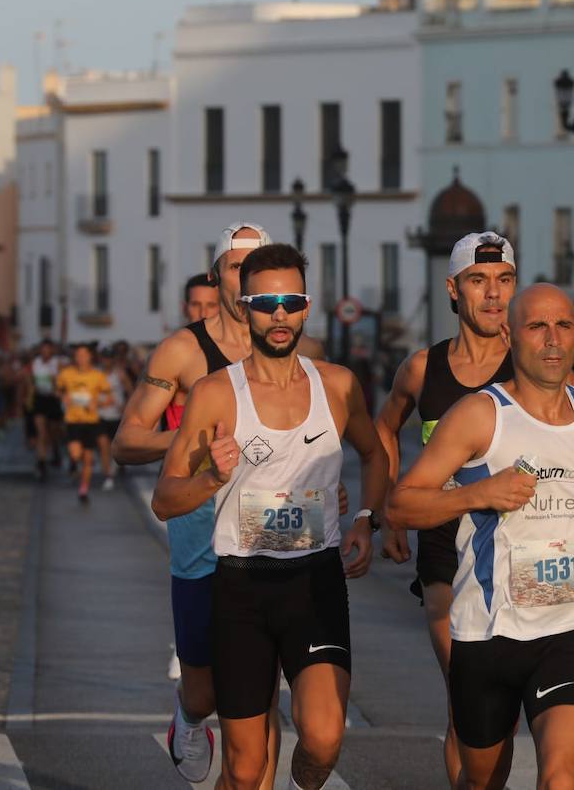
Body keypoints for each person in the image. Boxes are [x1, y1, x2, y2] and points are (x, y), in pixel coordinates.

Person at [387, 283, 574, 790]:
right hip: (489, 633)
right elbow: (402, 502)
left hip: (570, 624)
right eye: (536, 326)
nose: (552, 339)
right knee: (482, 781)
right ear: (509, 335)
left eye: (563, 326)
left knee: (563, 778)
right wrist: (476, 495)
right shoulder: (480, 415)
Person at [153, 243, 388, 790]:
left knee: (324, 737)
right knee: (244, 768)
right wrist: (211, 478)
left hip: (315, 582)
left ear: (306, 307)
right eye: (266, 302)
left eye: (291, 300)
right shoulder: (215, 394)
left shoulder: (337, 385)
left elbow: (375, 452)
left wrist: (368, 519)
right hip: (241, 588)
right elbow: (164, 499)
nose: (279, 314)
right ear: (244, 306)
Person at [115, 222, 331, 786]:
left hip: (278, 545)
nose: (247, 277)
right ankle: (188, 714)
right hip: (202, 543)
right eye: (236, 267)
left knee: (262, 699)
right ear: (219, 276)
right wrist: (198, 444)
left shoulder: (301, 350)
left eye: (257, 265)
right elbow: (127, 440)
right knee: (209, 691)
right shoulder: (184, 351)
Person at [372, 231, 518, 785]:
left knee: (492, 717)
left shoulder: (531, 365)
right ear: (454, 290)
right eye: (479, 282)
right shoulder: (421, 369)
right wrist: (388, 507)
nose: (493, 295)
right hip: (442, 543)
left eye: (504, 281)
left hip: (513, 549)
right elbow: (384, 429)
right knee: (466, 691)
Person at [56, 342, 112, 504]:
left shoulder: (98, 376)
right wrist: (63, 397)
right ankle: (74, 464)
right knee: (75, 453)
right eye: (77, 355)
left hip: (91, 421)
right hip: (73, 420)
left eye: (83, 355)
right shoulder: (66, 374)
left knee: (88, 459)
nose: (80, 358)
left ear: (90, 357)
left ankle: (83, 488)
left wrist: (98, 404)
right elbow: (58, 390)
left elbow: (110, 398)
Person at [28, 339, 65, 480]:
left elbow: (62, 382)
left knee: (54, 431)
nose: (45, 353)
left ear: (52, 350)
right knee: (41, 432)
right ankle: (41, 462)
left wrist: (55, 382)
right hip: (40, 399)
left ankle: (55, 449)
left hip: (53, 400)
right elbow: (31, 381)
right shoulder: (35, 363)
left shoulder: (57, 363)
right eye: (42, 350)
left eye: (48, 350)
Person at [96, 347, 127, 492]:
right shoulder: (96, 374)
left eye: (109, 358)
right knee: (103, 446)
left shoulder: (119, 374)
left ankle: (113, 468)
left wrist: (127, 407)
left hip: (116, 416)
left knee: (114, 449)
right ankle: (108, 475)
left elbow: (132, 391)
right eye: (104, 357)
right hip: (100, 415)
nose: (106, 360)